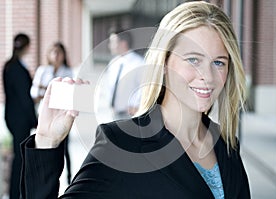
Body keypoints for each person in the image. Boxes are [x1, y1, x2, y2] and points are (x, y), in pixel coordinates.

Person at [20, 1, 251, 199]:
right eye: (193, 59)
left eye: (219, 62)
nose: (208, 77)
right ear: (163, 64)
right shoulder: (121, 144)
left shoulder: (226, 145)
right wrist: (47, 142)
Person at [30, 42, 73, 184]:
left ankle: (68, 176)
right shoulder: (42, 70)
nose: (56, 55)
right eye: (53, 52)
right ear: (48, 54)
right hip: (43, 115)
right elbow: (34, 93)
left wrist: (46, 89)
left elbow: (68, 95)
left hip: (62, 116)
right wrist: (53, 93)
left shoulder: (67, 71)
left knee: (64, 147)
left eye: (59, 52)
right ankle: (46, 177)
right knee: (45, 145)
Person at [2, 33, 38, 199]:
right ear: (27, 47)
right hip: (20, 119)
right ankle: (16, 194)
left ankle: (15, 193)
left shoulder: (9, 66)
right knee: (20, 157)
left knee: (19, 155)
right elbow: (24, 98)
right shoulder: (18, 68)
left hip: (11, 116)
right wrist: (34, 120)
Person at [106, 29, 145, 119]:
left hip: (132, 114)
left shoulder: (139, 63)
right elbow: (110, 87)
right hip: (115, 114)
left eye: (112, 42)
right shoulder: (113, 63)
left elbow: (144, 87)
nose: (110, 46)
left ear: (123, 43)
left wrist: (136, 107)